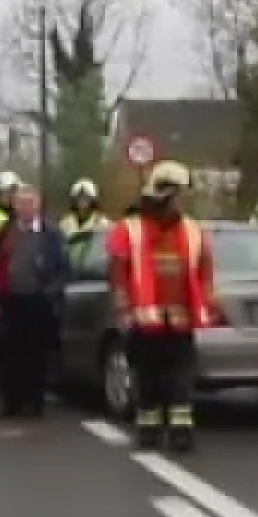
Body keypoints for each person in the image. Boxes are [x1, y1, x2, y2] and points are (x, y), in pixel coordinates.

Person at [107, 160, 215, 453]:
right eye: (179, 194)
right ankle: (149, 430)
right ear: (164, 194)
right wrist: (123, 308)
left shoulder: (193, 230)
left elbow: (205, 271)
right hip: (144, 322)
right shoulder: (128, 229)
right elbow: (118, 272)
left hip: (180, 320)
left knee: (181, 380)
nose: (183, 201)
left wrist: (206, 304)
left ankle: (181, 432)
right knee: (147, 380)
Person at [0, 189, 70, 418]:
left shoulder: (51, 233)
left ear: (38, 206)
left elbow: (63, 269)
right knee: (9, 354)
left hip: (38, 301)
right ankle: (11, 403)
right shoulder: (7, 231)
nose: (25, 208)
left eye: (30, 204)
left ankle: (35, 402)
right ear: (15, 207)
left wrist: (49, 295)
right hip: (10, 300)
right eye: (21, 204)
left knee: (36, 354)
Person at [59, 178, 107, 246]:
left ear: (93, 199)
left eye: (86, 197)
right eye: (79, 197)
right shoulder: (64, 224)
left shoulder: (103, 224)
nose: (82, 200)